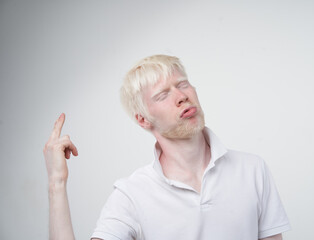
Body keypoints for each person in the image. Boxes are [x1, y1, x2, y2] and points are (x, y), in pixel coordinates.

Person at [43, 55, 291, 240]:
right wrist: (57, 183)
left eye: (182, 84)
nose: (181, 96)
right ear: (143, 119)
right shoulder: (132, 194)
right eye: (162, 95)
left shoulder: (252, 169)